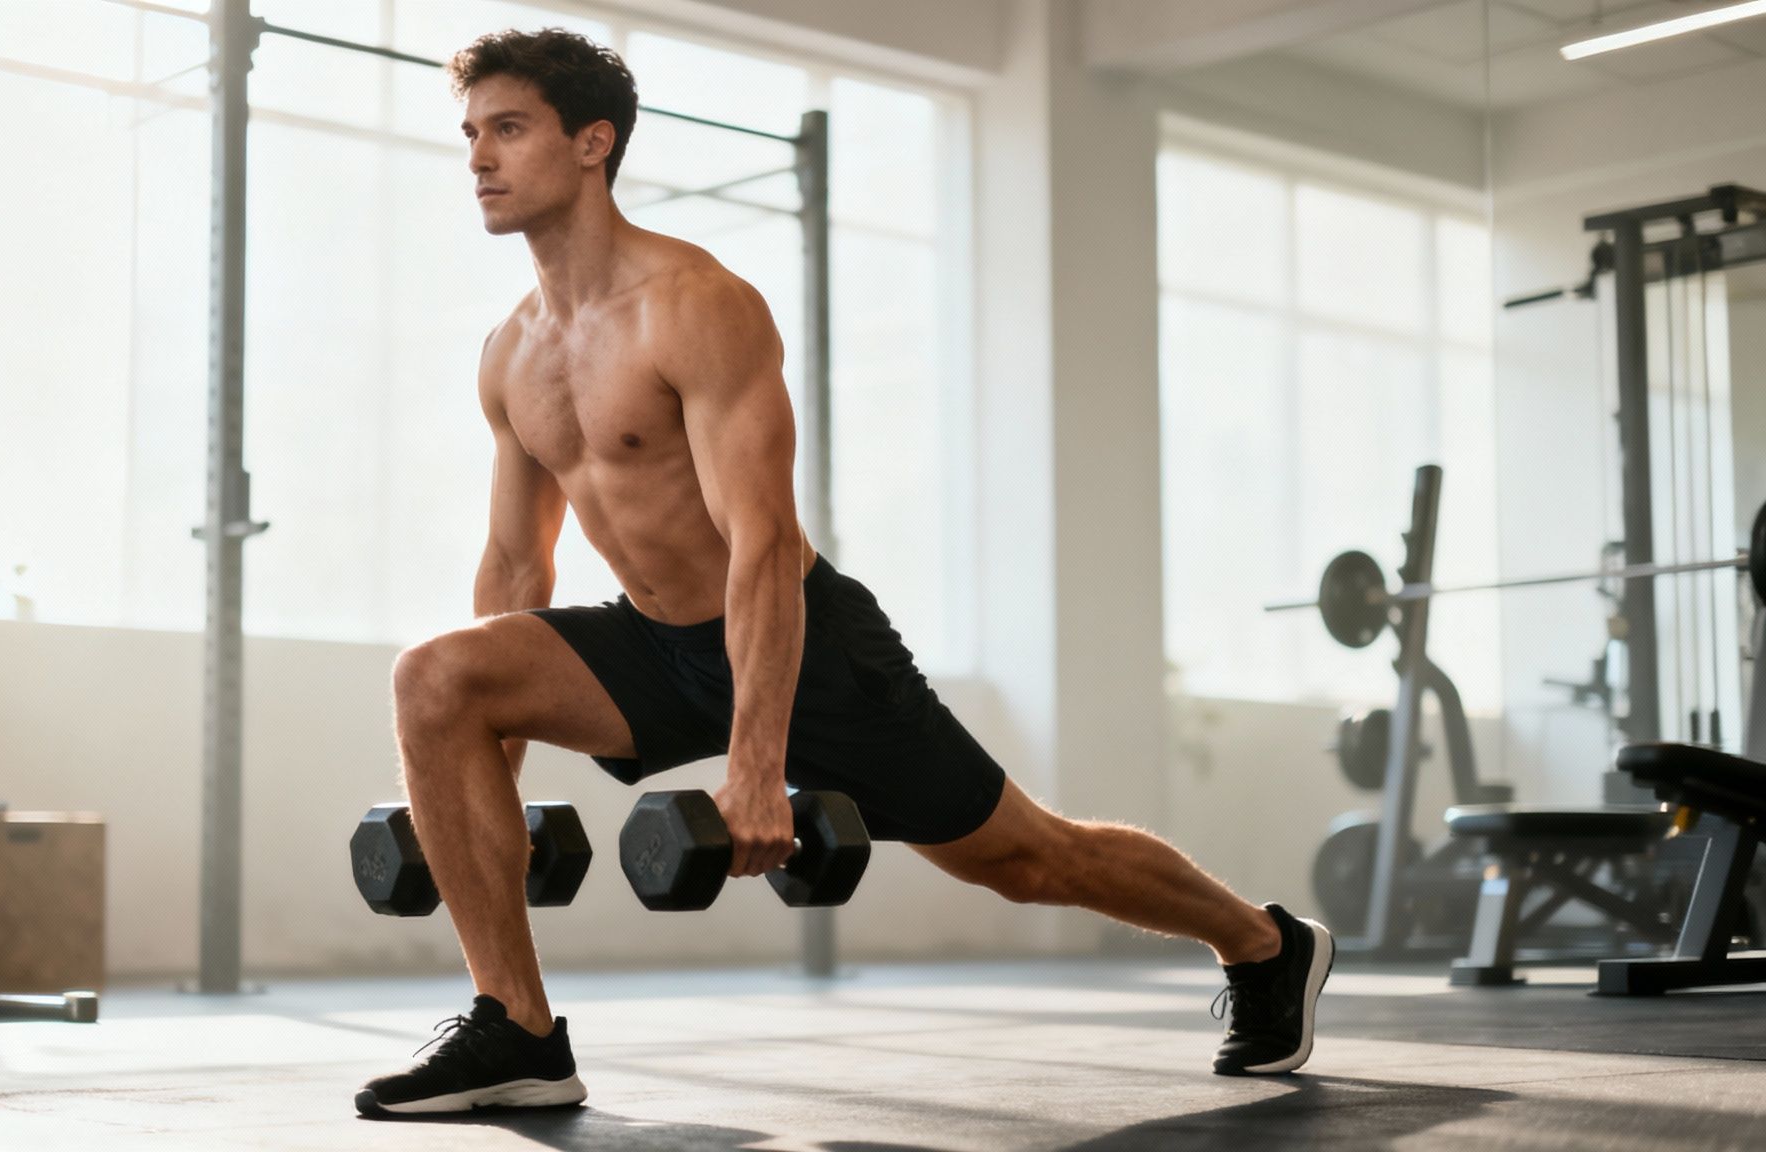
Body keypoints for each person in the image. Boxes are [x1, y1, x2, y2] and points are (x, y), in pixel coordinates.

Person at [356, 27, 1332, 1119]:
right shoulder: (510, 350)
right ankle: (518, 1033)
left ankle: (1261, 942)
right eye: (470, 135)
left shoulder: (695, 304)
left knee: (1024, 860)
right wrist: (499, 768)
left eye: (507, 129)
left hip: (805, 642)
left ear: (593, 143)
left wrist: (753, 758)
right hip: (652, 643)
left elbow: (763, 545)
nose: (477, 158)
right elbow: (512, 563)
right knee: (437, 677)